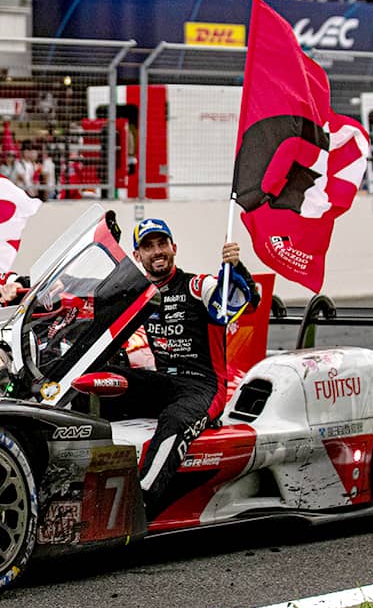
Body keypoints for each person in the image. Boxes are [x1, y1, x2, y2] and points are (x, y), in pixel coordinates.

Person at [102, 218, 258, 521]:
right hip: (164, 385)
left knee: (173, 421)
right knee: (102, 379)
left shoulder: (200, 286)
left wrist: (237, 270)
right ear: (138, 256)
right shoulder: (141, 296)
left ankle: (140, 505)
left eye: (162, 244)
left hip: (204, 387)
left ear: (174, 248)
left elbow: (246, 303)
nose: (157, 251)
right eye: (148, 246)